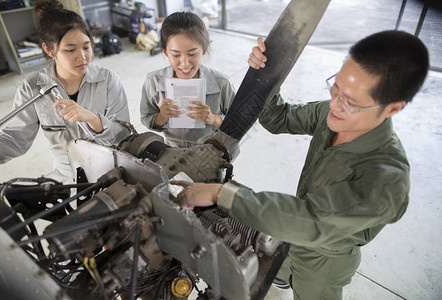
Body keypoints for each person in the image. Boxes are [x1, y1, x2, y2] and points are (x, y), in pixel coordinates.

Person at [171, 30, 429, 299]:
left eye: (350, 102)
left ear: (392, 108)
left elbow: (310, 219)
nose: (336, 106)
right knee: (276, 261)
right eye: (336, 88)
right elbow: (279, 118)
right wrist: (268, 74)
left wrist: (219, 193)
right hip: (291, 235)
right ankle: (282, 279)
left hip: (323, 262)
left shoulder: (387, 180)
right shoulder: (332, 113)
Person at [0, 0, 131, 183]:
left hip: (111, 174)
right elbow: (13, 140)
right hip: (67, 179)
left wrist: (92, 118)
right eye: (70, 50)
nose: (82, 57)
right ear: (49, 50)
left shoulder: (107, 81)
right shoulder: (33, 88)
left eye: (86, 47)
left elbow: (125, 137)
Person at [140, 11, 235, 148]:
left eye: (192, 54)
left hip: (211, 153)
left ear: (204, 50)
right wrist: (162, 117)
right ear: (166, 52)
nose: (184, 63)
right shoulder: (153, 82)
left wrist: (213, 118)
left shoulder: (221, 83)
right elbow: (146, 117)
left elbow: (239, 123)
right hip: (172, 153)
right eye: (176, 55)